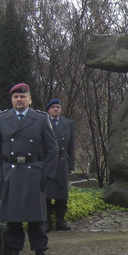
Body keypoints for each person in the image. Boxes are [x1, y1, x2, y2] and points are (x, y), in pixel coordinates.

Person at [0, 83, 58, 255]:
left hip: (33, 172)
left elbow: (52, 149)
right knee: (13, 219)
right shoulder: (2, 119)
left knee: (36, 219)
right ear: (11, 100)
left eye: (22, 96)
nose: (19, 100)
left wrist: (47, 174)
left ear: (30, 99)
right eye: (15, 97)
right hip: (11, 172)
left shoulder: (41, 118)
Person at [44, 98, 75, 231]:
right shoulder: (44, 122)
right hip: (48, 162)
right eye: (53, 107)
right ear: (48, 110)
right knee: (47, 194)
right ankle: (46, 221)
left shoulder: (68, 123)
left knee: (62, 194)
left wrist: (71, 164)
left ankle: (60, 220)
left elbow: (71, 145)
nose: (56, 109)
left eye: (58, 107)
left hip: (62, 161)